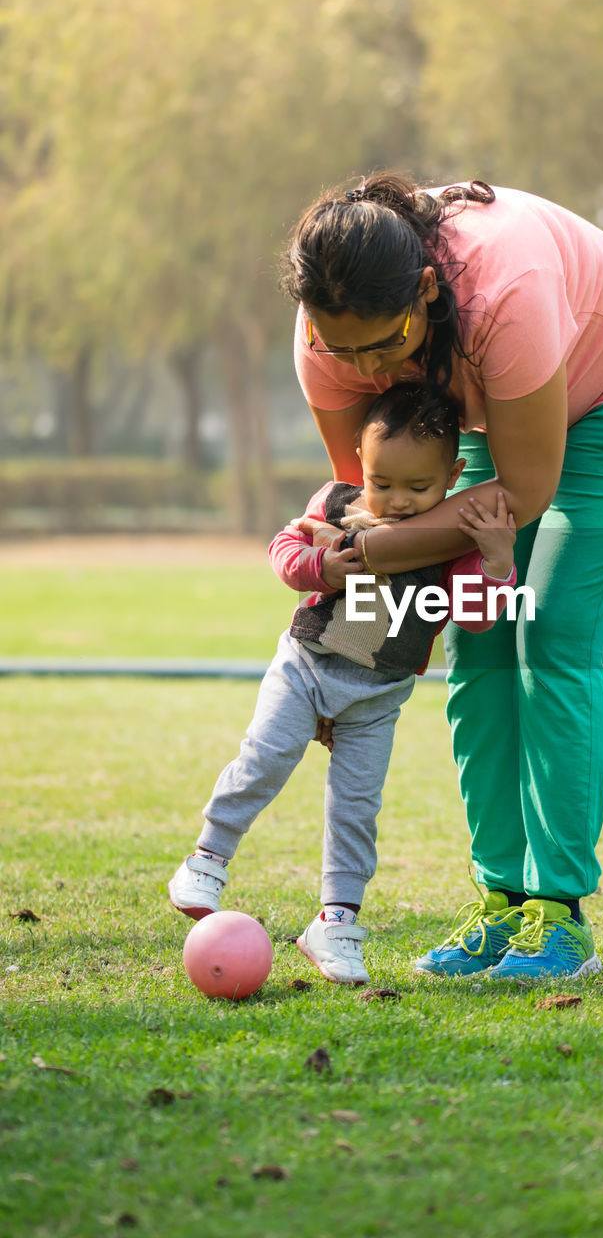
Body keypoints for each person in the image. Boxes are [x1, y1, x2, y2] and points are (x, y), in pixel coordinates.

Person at [280, 172, 603, 980]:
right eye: (345, 349)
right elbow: (381, 516)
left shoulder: (504, 284)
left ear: (427, 291)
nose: (366, 368)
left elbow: (524, 488)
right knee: (474, 643)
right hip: (473, 405)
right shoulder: (323, 338)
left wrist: (366, 558)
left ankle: (557, 915)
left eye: (383, 343)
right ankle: (498, 900)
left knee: (547, 635)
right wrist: (346, 661)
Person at [168, 381, 518, 985]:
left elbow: (477, 611)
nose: (398, 502)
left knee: (356, 810)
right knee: (265, 758)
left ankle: (335, 923)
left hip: (376, 700)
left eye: (419, 488)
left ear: (455, 473)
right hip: (304, 668)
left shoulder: (450, 542)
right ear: (362, 461)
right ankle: (207, 859)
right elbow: (284, 546)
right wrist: (318, 567)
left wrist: (496, 561)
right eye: (383, 483)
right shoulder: (338, 504)